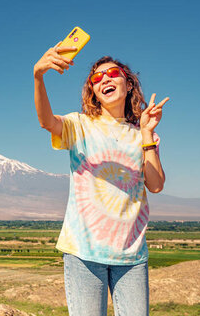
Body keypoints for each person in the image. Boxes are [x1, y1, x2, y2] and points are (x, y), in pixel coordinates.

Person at [33, 43, 168, 316]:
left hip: (131, 256)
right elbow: (47, 122)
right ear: (93, 92)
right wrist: (38, 75)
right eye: (96, 78)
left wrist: (146, 136)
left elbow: (155, 185)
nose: (104, 78)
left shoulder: (143, 134)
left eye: (113, 73)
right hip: (84, 253)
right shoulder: (80, 125)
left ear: (128, 84)